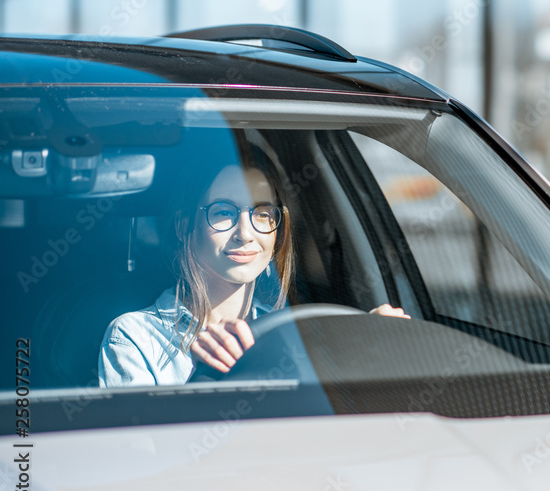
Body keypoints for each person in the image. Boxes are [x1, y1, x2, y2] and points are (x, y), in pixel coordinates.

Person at [99, 148, 407, 387]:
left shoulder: (290, 334)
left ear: (277, 228)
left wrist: (364, 342)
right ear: (184, 228)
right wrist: (202, 380)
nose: (245, 234)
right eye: (223, 212)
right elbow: (143, 459)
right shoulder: (135, 338)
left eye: (261, 213)